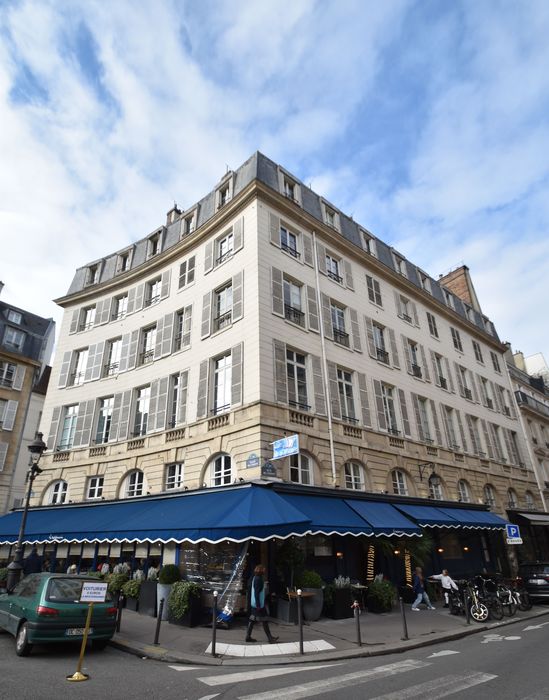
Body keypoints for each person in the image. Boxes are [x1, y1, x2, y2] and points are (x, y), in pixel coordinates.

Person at [245, 564, 279, 644]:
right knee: (264, 620)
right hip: (259, 604)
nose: (265, 571)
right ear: (260, 571)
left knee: (252, 619)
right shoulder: (258, 579)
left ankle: (248, 637)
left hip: (255, 603)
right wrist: (258, 605)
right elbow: (257, 593)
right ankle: (270, 638)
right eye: (263, 569)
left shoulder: (255, 578)